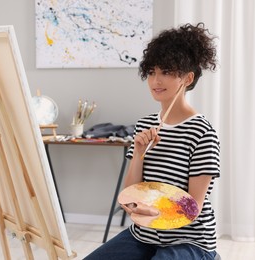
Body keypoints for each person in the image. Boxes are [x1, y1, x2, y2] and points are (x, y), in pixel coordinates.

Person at [84, 22, 220, 260]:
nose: (156, 80)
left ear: (187, 78)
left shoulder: (202, 132)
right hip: (144, 235)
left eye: (166, 72)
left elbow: (193, 209)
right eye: (152, 72)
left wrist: (152, 211)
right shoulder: (144, 124)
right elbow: (130, 191)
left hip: (189, 240)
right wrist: (138, 152)